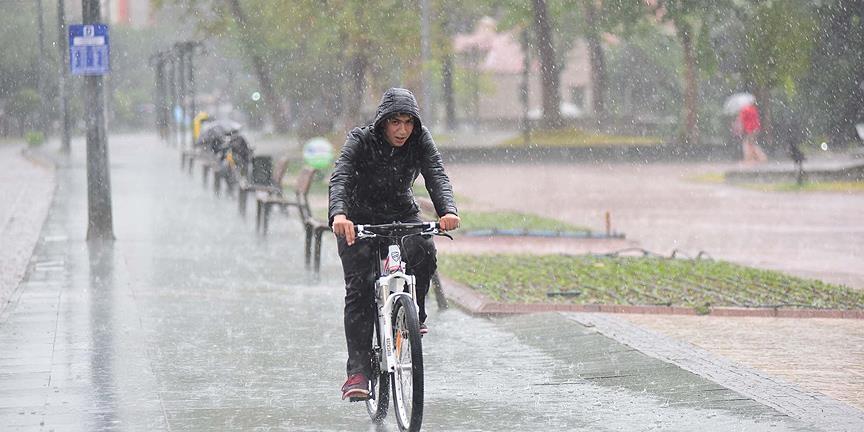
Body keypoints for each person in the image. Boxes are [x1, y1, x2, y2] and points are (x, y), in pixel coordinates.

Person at [328, 88, 460, 400]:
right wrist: (340, 214)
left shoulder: (420, 139)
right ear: (383, 122)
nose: (402, 130)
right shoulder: (360, 140)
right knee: (359, 289)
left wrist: (448, 210)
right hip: (357, 217)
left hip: (401, 212)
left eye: (408, 123)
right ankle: (357, 372)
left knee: (424, 250)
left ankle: (415, 315)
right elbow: (341, 178)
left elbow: (436, 174)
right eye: (395, 123)